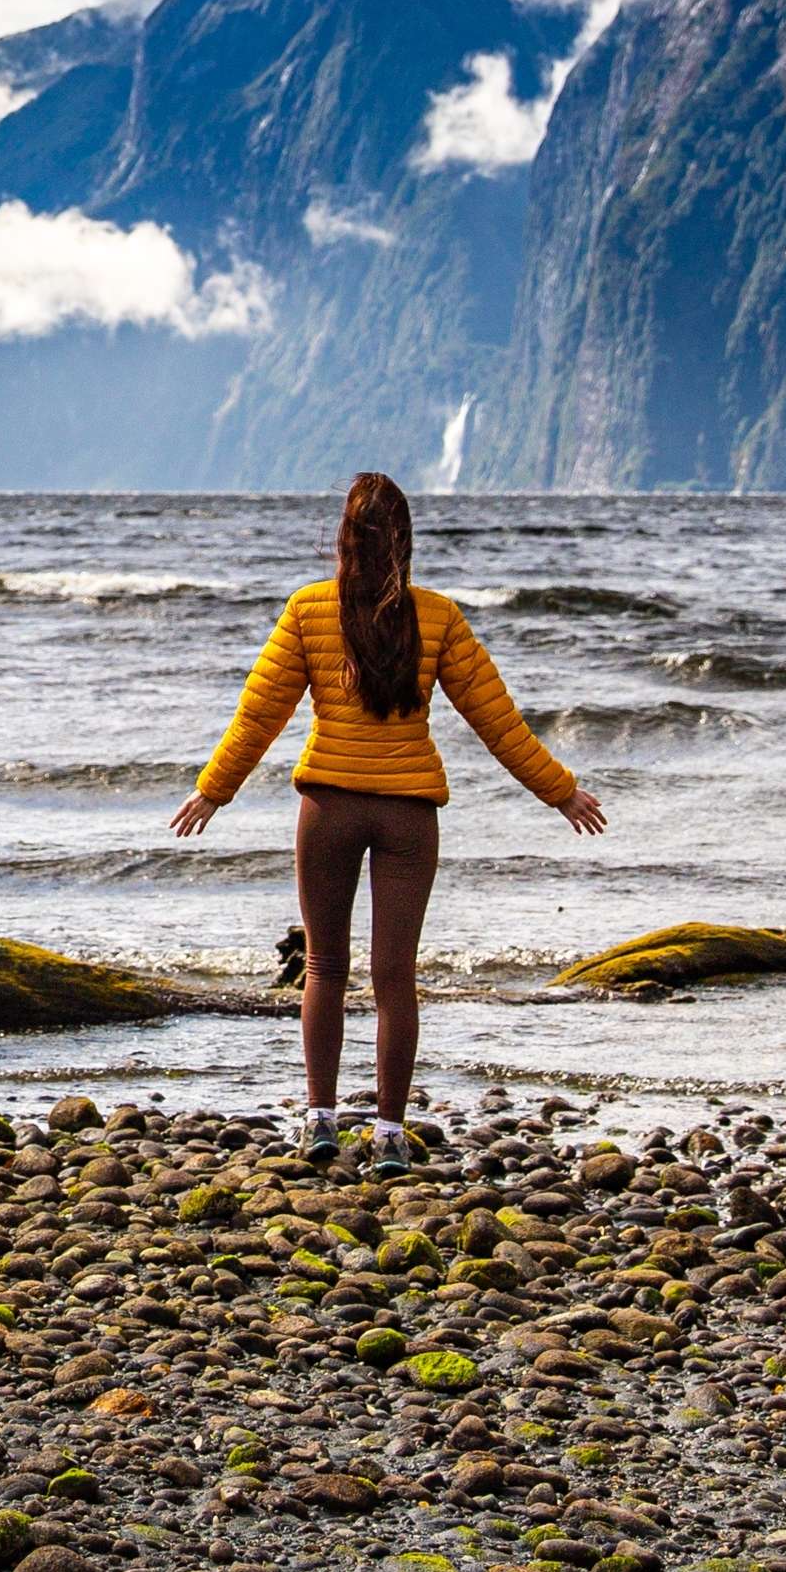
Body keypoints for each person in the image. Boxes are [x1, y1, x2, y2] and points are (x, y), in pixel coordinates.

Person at [167, 470, 605, 1159]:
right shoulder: (437, 617)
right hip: (408, 817)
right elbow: (498, 721)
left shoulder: (308, 609)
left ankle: (318, 1119)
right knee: (394, 975)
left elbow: (259, 713)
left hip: (328, 809)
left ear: (343, 538)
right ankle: (391, 1133)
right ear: (404, 540)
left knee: (324, 965)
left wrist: (213, 790)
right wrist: (559, 790)